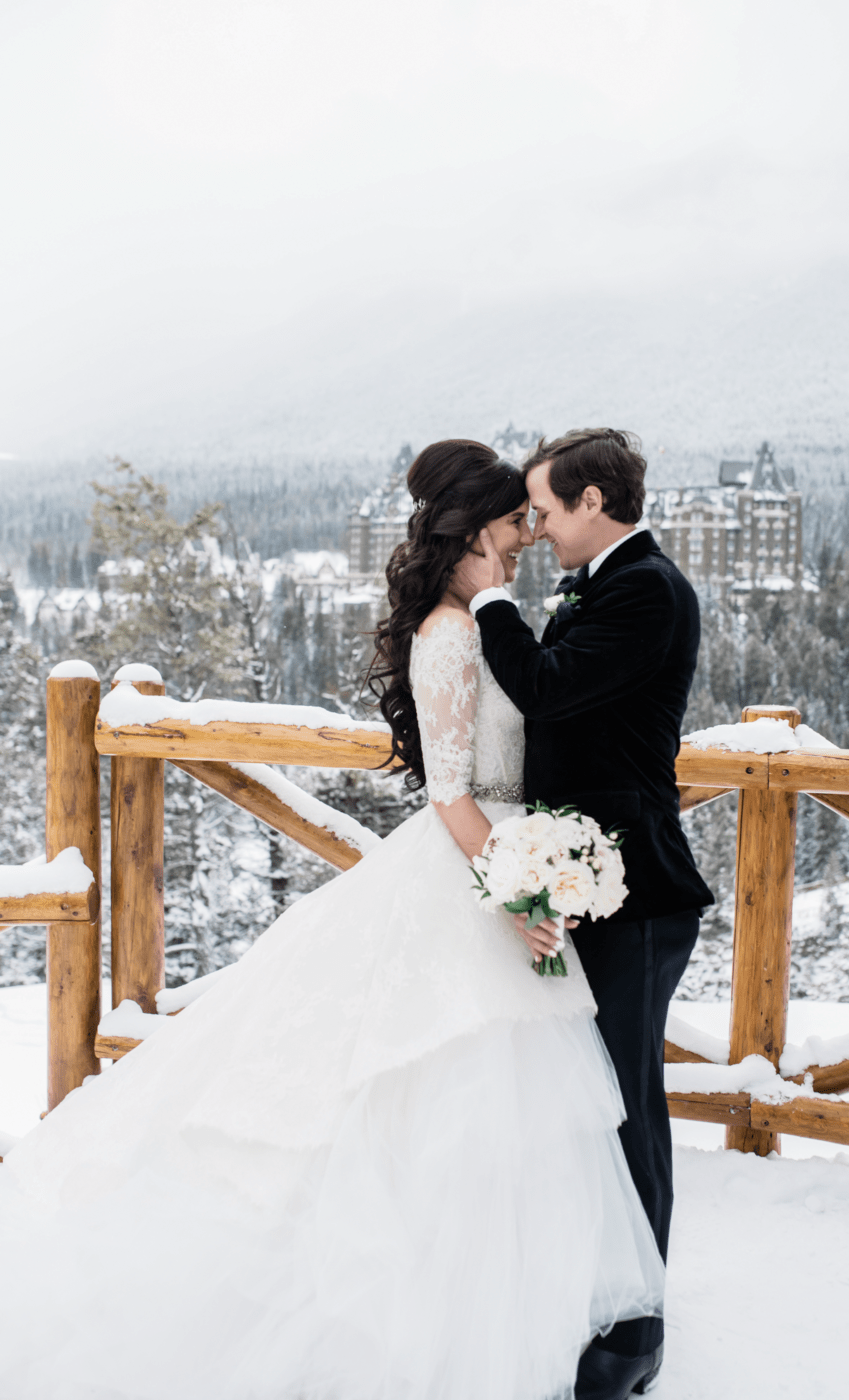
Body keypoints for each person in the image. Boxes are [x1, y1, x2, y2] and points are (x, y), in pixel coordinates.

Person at [0, 439, 664, 1400]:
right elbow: (448, 794)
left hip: (514, 869)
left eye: (537, 515)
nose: (529, 531)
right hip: (476, 877)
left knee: (508, 1130)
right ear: (478, 528)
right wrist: (519, 893)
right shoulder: (448, 635)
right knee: (427, 1107)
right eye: (515, 518)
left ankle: (512, 1320)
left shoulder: (493, 619)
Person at [452, 427, 714, 1400]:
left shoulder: (646, 589)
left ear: (595, 498)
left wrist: (486, 594)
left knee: (628, 1110)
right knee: (589, 1101)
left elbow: (548, 687)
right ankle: (597, 1291)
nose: (537, 524)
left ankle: (634, 1335)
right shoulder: (603, 583)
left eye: (547, 508)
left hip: (637, 895)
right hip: (585, 883)